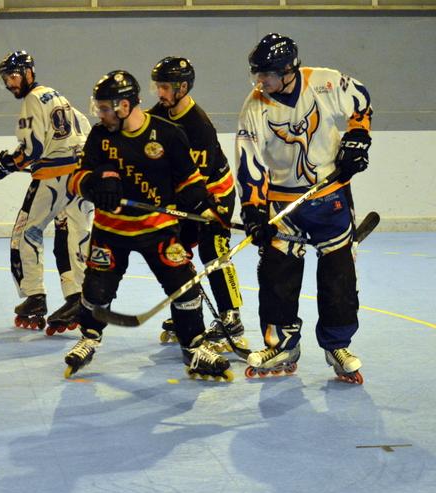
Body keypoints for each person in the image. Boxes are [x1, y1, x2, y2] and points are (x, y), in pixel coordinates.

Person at [62, 69, 233, 382]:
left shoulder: (168, 134)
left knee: (184, 285)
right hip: (111, 230)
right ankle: (89, 337)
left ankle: (194, 346)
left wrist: (204, 208)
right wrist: (93, 184)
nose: (100, 114)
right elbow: (76, 179)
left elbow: (190, 181)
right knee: (97, 289)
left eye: (104, 108)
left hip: (157, 227)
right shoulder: (100, 136)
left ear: (125, 106)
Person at [235, 33, 372, 384]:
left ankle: (338, 345)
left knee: (339, 275)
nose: (260, 81)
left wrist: (358, 137)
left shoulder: (323, 83)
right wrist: (253, 209)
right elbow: (250, 161)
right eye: (256, 73)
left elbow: (360, 99)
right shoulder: (254, 107)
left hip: (331, 198)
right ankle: (281, 345)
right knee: (276, 275)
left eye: (266, 74)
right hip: (283, 204)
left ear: (288, 70)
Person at [0, 50, 93, 333]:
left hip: (53, 179)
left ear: (29, 72)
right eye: (6, 79)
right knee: (77, 235)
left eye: (13, 76)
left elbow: (32, 149)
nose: (10, 84)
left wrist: (4, 164)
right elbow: (85, 129)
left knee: (26, 232)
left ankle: (34, 296)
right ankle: (79, 297)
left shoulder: (32, 100)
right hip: (81, 177)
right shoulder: (58, 96)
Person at [147, 56, 246, 354]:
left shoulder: (198, 125)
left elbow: (196, 182)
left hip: (213, 193)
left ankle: (231, 318)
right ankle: (188, 310)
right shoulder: (158, 115)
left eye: (165, 87)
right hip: (183, 194)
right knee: (176, 251)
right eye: (158, 86)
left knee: (213, 249)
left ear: (182, 87)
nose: (160, 92)